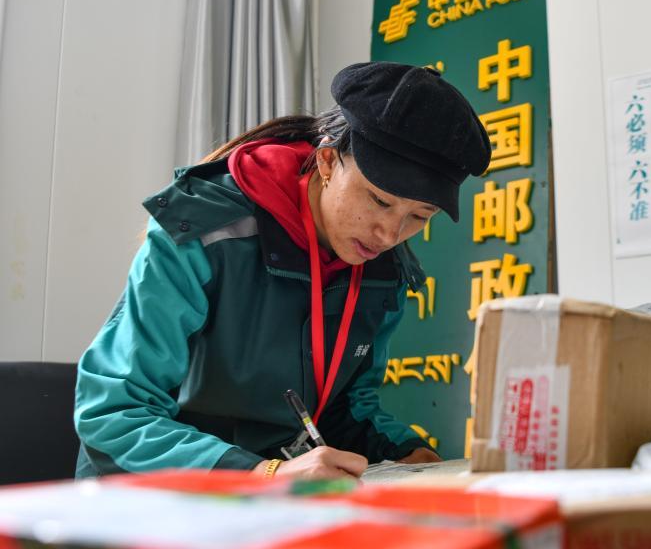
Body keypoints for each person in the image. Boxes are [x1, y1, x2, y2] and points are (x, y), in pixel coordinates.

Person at [74, 62, 492, 481]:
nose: (389, 234)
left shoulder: (385, 272)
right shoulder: (203, 233)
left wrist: (408, 454)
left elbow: (346, 408)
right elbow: (114, 412)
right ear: (327, 162)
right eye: (379, 201)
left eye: (419, 216)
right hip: (147, 497)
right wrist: (259, 474)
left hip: (276, 497)